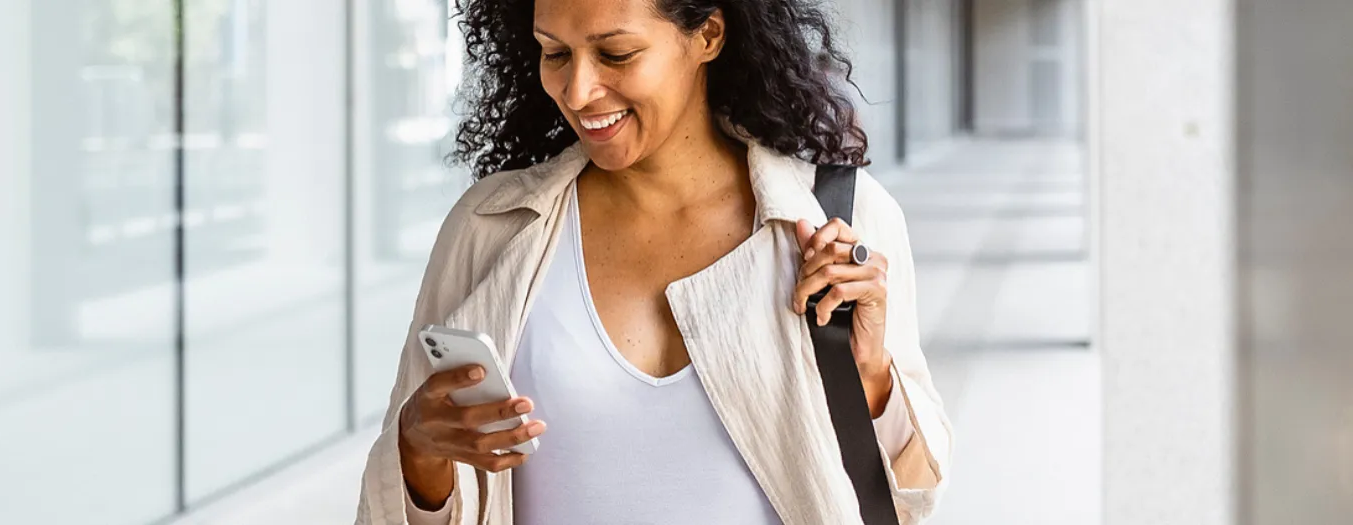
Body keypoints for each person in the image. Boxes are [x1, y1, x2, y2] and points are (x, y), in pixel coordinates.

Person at [353, 0, 951, 523]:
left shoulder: (838, 220)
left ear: (708, 36)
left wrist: (869, 372)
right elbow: (399, 504)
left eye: (615, 54)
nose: (579, 90)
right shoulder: (489, 230)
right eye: (555, 53)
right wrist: (417, 453)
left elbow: (914, 492)